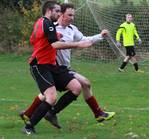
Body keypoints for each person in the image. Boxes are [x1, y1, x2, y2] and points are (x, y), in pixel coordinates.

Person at [20, 2, 115, 132]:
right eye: (69, 14)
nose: (72, 17)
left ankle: (31, 115)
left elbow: (84, 39)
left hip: (60, 67)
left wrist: (100, 36)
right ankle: (36, 119)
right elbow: (46, 43)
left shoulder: (72, 29)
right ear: (61, 15)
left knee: (78, 86)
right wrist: (69, 44)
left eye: (73, 15)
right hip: (50, 66)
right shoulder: (50, 26)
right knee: (53, 95)